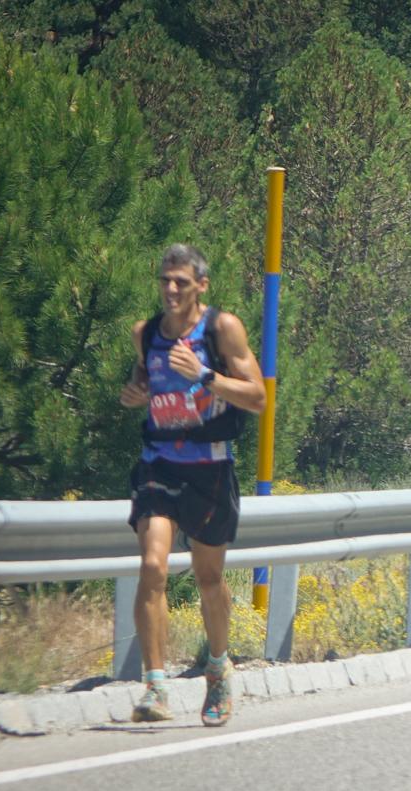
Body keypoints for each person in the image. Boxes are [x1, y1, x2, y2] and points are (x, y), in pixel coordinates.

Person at [119, 244, 266, 725]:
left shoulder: (222, 329)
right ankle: (155, 688)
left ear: (201, 285)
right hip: (159, 463)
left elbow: (258, 398)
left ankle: (219, 670)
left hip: (210, 467)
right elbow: (140, 386)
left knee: (208, 580)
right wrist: (133, 394)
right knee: (152, 566)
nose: (171, 289)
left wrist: (204, 375)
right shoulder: (147, 334)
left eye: (181, 281)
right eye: (165, 280)